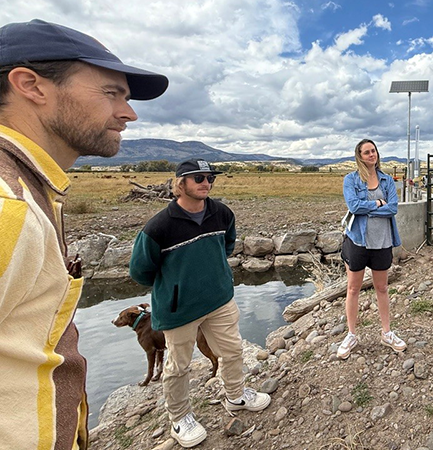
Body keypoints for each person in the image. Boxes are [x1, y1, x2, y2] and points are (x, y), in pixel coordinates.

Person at [0, 19, 167, 450]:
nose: (128, 113)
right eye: (111, 93)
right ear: (31, 85)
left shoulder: (34, 191)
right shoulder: (7, 204)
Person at [129, 159, 271, 448]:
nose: (206, 182)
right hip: (178, 309)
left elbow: (228, 244)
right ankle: (180, 418)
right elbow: (140, 271)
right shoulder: (159, 227)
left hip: (219, 299)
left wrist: (217, 275)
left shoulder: (221, 213)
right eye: (198, 178)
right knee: (178, 365)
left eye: (210, 178)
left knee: (232, 350)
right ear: (180, 184)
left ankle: (236, 396)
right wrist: (175, 286)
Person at [337, 139, 406, 359]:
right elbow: (353, 206)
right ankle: (351, 335)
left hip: (382, 242)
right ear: (359, 156)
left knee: (382, 288)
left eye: (373, 151)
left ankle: (387, 332)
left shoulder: (386, 180)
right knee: (353, 289)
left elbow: (393, 208)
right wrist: (377, 204)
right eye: (366, 152)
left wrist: (368, 209)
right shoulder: (351, 179)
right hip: (358, 241)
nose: (371, 155)